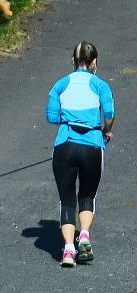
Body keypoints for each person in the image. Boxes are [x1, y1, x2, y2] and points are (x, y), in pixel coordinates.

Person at [45, 41, 115, 267]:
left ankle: (67, 251)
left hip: (65, 146)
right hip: (92, 146)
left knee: (67, 200)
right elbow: (110, 113)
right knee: (87, 195)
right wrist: (107, 130)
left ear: (73, 62)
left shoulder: (60, 85)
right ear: (94, 62)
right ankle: (83, 235)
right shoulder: (100, 85)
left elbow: (52, 117)